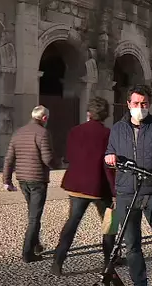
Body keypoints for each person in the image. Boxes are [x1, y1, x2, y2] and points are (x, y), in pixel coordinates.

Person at [104, 84, 152, 286]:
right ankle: (140, 285)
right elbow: (110, 151)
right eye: (135, 103)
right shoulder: (118, 128)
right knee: (132, 244)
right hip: (127, 193)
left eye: (143, 103)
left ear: (149, 104)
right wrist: (110, 157)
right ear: (128, 104)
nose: (140, 107)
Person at [51, 97, 117, 276]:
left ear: (88, 113)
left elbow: (70, 156)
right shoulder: (108, 134)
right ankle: (108, 262)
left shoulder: (75, 131)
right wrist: (115, 190)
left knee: (72, 223)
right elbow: (108, 165)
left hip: (77, 185)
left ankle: (58, 261)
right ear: (105, 115)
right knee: (109, 224)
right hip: (99, 187)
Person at [3, 105, 58, 263]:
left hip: (22, 180)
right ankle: (28, 253)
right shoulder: (43, 133)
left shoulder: (18, 132)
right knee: (35, 217)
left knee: (32, 213)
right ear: (44, 118)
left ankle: (36, 244)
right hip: (37, 179)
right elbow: (47, 158)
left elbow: (9, 158)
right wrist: (57, 164)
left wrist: (6, 180)